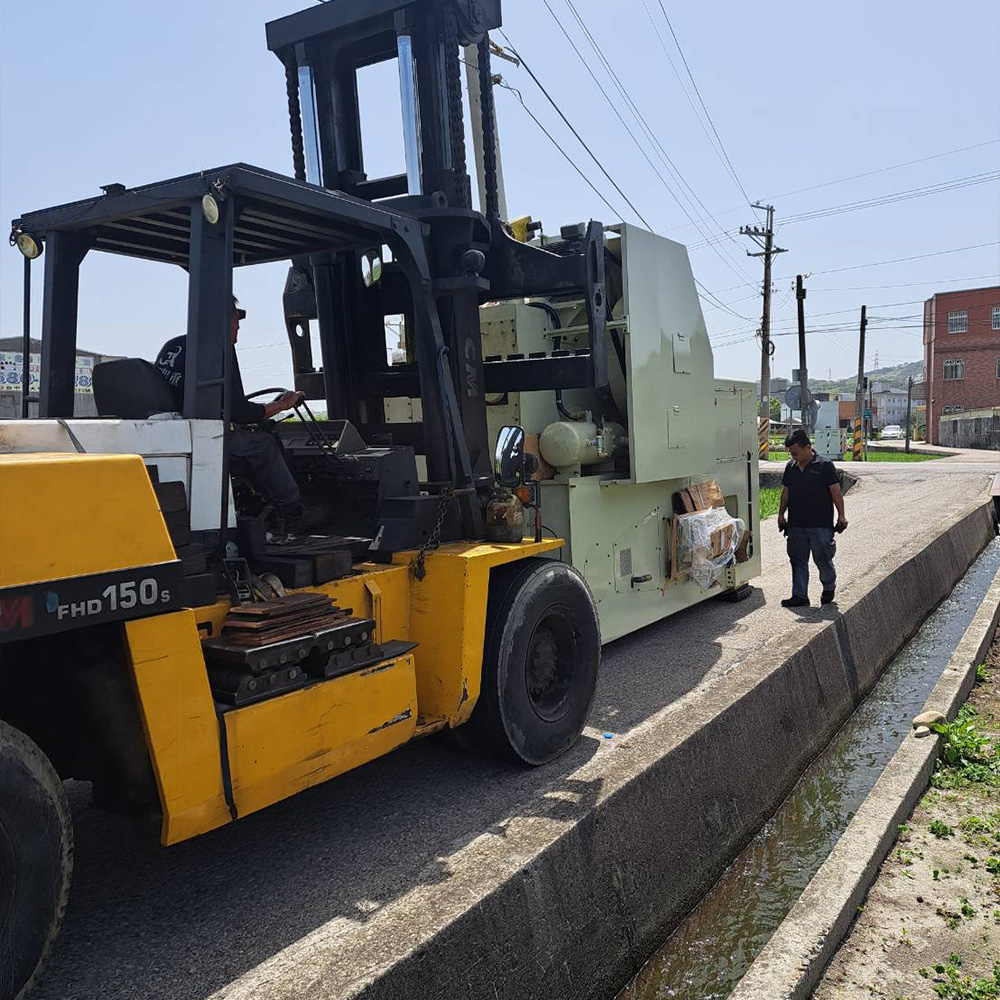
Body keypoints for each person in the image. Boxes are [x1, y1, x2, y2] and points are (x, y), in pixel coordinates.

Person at [155, 298, 305, 518]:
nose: (239, 326)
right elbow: (240, 413)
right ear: (223, 319)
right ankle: (293, 513)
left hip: (172, 429)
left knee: (248, 443)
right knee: (263, 445)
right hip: (199, 435)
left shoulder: (175, 345)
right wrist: (283, 404)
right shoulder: (215, 350)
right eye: (237, 318)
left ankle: (256, 507)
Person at [776, 428, 848, 608]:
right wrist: (780, 514)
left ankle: (829, 586)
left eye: (796, 453)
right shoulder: (791, 467)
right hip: (796, 524)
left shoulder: (824, 466)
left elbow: (835, 492)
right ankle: (800, 595)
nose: (793, 456)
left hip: (820, 524)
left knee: (822, 558)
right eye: (791, 453)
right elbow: (786, 492)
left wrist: (841, 515)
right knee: (798, 560)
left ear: (808, 447)